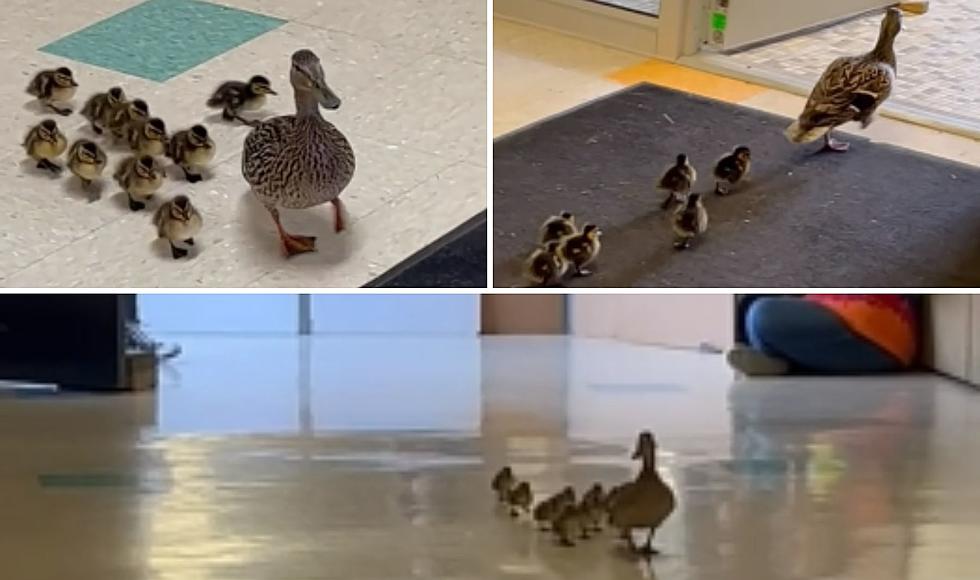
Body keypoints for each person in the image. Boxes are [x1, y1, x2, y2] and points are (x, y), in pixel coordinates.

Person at [727, 295, 920, 376]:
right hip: (868, 328)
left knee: (762, 313)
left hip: (872, 329)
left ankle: (780, 361)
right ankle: (779, 359)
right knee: (756, 311)